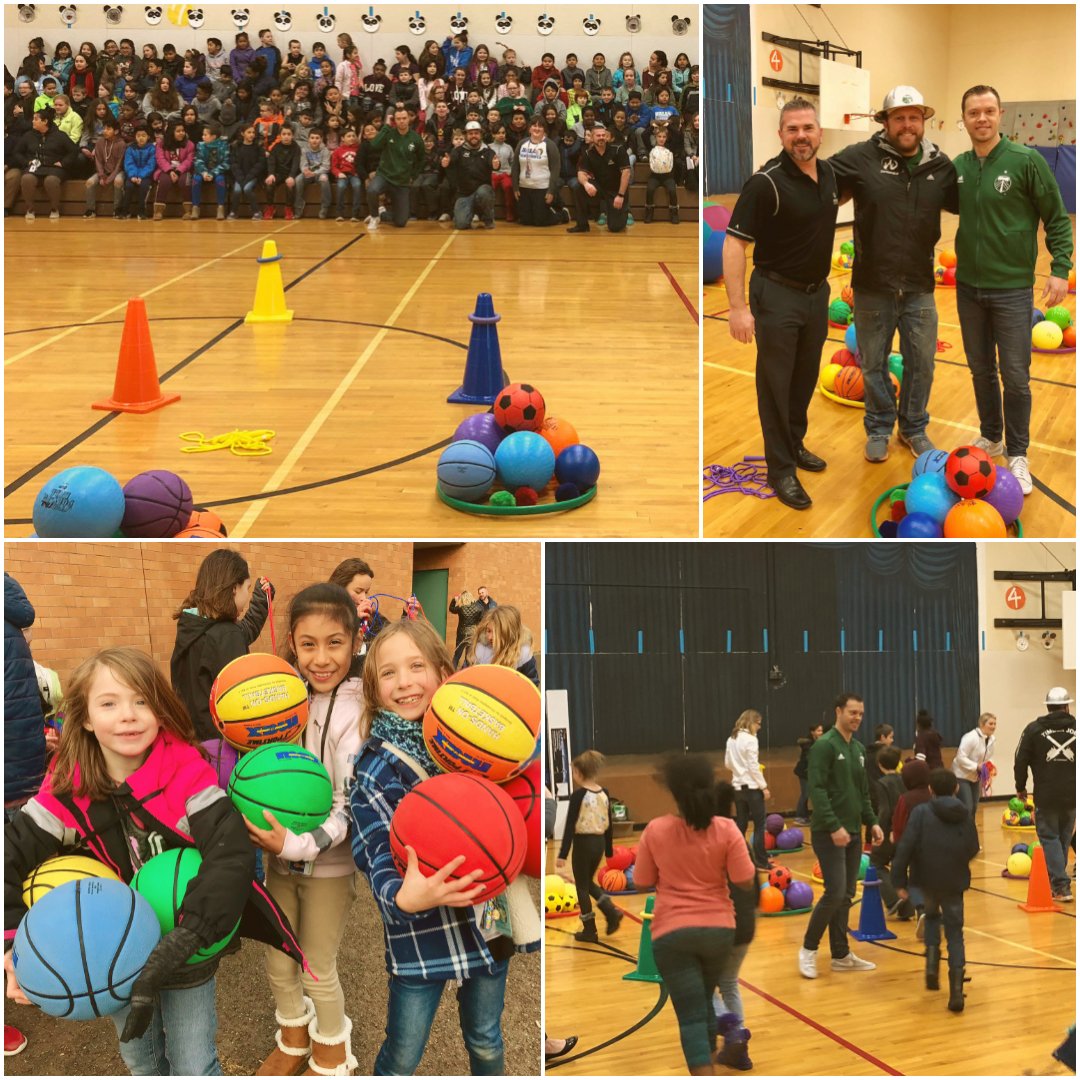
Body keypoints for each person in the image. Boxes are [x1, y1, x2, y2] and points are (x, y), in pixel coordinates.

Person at [4, 647, 305, 1075]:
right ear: (85, 718)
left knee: (195, 1064)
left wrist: (191, 933)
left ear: (160, 710)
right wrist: (15, 944)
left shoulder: (186, 772)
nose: (128, 715)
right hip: (115, 950)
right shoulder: (66, 792)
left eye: (141, 700)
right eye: (109, 703)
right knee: (141, 1063)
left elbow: (230, 851)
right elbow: (7, 859)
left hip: (187, 943)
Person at [350, 620, 539, 1074]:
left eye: (416, 666)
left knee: (487, 1039)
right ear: (375, 689)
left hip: (489, 917)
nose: (405, 682)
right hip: (421, 932)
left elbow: (516, 798)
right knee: (402, 1054)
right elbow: (371, 843)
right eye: (389, 673)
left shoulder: (479, 743)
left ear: (442, 671)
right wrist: (399, 895)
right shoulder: (376, 766)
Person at [247, 585, 364, 1076]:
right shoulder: (281, 701)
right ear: (291, 643)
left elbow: (348, 805)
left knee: (317, 970)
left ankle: (333, 1054)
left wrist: (295, 842)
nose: (321, 657)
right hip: (280, 860)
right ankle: (294, 1039)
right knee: (278, 962)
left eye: (334, 643)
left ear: (356, 642)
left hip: (330, 868)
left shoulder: (357, 712)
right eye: (308, 643)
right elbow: (256, 770)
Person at [952, 85, 1074, 494]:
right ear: (964, 118)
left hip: (1012, 290)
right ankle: (991, 435)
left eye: (988, 111)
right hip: (967, 288)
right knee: (980, 369)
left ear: (1001, 114)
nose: (981, 119)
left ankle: (1018, 453)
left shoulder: (1027, 161)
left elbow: (1057, 217)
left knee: (1017, 377)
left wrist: (1060, 268)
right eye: (973, 113)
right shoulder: (960, 166)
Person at [830, 87, 956, 462]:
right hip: (872, 286)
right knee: (872, 363)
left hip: (919, 285)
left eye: (914, 117)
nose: (907, 125)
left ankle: (914, 427)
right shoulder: (859, 157)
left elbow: (972, 202)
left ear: (923, 122)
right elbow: (818, 180)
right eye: (899, 117)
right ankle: (879, 426)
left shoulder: (940, 165)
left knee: (923, 363)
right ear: (885, 122)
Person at [724, 98, 838, 511]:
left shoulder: (828, 175)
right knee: (776, 383)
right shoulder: (765, 182)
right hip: (775, 295)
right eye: (793, 130)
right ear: (780, 135)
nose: (801, 136)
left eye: (808, 128)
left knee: (805, 377)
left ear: (820, 132)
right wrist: (738, 308)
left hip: (816, 294)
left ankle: (794, 443)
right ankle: (781, 469)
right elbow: (735, 242)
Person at [633, 756, 756, 1077]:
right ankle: (716, 1047)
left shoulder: (655, 830)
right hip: (719, 932)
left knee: (691, 1016)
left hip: (672, 935)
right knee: (702, 1005)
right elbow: (745, 879)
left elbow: (642, 881)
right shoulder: (727, 828)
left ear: (673, 792)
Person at [798, 692, 882, 978]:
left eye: (860, 713)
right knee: (834, 892)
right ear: (838, 712)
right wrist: (834, 826)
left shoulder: (858, 748)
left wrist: (872, 821)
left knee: (846, 893)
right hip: (828, 833)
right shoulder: (824, 746)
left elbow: (863, 792)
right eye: (852, 712)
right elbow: (817, 789)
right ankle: (808, 949)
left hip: (854, 833)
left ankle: (841, 954)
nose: (857, 717)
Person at [892, 768, 979, 1012]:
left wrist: (898, 880)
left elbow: (906, 845)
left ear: (930, 790)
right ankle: (956, 993)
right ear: (957, 788)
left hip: (927, 879)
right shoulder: (964, 813)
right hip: (954, 881)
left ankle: (932, 961)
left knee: (931, 917)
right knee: (955, 932)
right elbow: (973, 847)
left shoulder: (921, 812)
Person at [169, 548, 271, 743]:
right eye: (247, 589)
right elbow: (241, 702)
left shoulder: (192, 626)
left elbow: (242, 632)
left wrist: (261, 599)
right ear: (234, 588)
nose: (247, 595)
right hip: (222, 745)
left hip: (193, 739)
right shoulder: (225, 634)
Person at [711, 779, 759, 1072]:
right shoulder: (738, 835)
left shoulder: (709, 836)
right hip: (745, 925)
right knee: (729, 983)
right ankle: (738, 1048)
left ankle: (728, 1027)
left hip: (721, 924)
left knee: (699, 985)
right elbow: (754, 886)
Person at [1014, 687, 1076, 903]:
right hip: (1072, 795)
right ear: (1067, 706)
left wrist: (1020, 787)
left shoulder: (1033, 729)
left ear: (1048, 707)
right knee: (1062, 838)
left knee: (1049, 838)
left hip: (1047, 795)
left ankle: (1060, 886)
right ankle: (1058, 882)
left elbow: (1020, 760)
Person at [555, 750, 622, 943]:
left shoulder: (579, 795)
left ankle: (590, 930)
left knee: (582, 888)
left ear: (578, 772)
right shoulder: (604, 793)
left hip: (583, 844)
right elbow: (609, 823)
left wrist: (563, 853)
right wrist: (609, 850)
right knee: (588, 883)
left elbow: (570, 825)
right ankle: (611, 912)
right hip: (599, 843)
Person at [5, 106, 77, 221]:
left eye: (35, 119)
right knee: (26, 178)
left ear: (45, 121)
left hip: (54, 167)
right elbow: (17, 152)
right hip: (35, 166)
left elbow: (73, 151)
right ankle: (30, 209)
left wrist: (63, 163)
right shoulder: (28, 135)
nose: (32, 121)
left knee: (51, 180)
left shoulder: (60, 135)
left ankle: (54, 209)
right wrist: (26, 162)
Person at [868, 745, 913, 919]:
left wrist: (879, 830)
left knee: (876, 864)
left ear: (879, 764)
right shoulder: (905, 780)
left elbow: (885, 810)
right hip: (907, 829)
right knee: (899, 868)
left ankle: (893, 899)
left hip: (889, 831)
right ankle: (906, 910)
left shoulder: (882, 783)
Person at [890, 756, 932, 938]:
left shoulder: (905, 798)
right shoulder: (935, 793)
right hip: (939, 846)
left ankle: (922, 910)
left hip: (915, 848)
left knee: (915, 882)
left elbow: (899, 824)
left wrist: (898, 842)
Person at [724, 709, 770, 870]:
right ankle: (761, 861)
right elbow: (753, 766)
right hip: (752, 788)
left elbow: (727, 764)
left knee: (741, 824)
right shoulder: (751, 740)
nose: (759, 727)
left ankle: (736, 859)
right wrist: (764, 786)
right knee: (759, 825)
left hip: (737, 788)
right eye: (758, 724)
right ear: (751, 722)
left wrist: (738, 771)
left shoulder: (731, 739)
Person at [366, 105, 424, 229]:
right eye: (398, 119)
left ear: (409, 119)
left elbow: (421, 160)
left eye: (404, 118)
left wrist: (413, 176)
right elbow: (374, 145)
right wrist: (386, 125)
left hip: (402, 181)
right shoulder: (388, 133)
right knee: (372, 190)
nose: (401, 121)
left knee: (401, 222)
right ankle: (374, 216)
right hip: (384, 176)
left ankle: (382, 213)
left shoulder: (416, 138)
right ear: (394, 120)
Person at [567, 122, 631, 234]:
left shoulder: (618, 149)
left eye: (603, 135)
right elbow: (581, 173)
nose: (601, 137)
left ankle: (620, 213)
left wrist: (621, 195)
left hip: (616, 192)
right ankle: (582, 225)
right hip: (599, 189)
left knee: (616, 228)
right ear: (592, 138)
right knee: (579, 187)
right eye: (598, 135)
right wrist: (586, 184)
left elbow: (626, 172)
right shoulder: (588, 153)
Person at [464, 604, 539, 688]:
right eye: (488, 631)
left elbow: (531, 686)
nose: (489, 637)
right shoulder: (478, 650)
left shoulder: (523, 655)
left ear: (508, 633)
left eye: (496, 632)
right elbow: (462, 679)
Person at [448, 119, 497, 229]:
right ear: (466, 135)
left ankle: (488, 218)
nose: (473, 136)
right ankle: (467, 213)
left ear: (481, 134)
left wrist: (495, 165)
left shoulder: (488, 151)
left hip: (483, 191)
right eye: (470, 133)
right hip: (465, 194)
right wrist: (447, 162)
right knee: (461, 225)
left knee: (484, 192)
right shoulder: (458, 151)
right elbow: (452, 160)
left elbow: (494, 164)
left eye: (476, 133)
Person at [952, 712, 997, 819]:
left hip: (975, 777)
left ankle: (970, 830)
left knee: (974, 807)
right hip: (961, 776)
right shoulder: (970, 737)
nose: (993, 726)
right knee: (967, 806)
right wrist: (976, 766)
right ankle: (962, 830)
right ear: (982, 724)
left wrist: (990, 766)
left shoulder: (991, 739)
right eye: (990, 724)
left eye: (995, 724)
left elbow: (988, 757)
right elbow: (960, 757)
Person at [153, 118, 194, 219]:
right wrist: (170, 171)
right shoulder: (161, 144)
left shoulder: (190, 144)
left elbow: (189, 161)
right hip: (166, 170)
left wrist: (179, 171)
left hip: (183, 170)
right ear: (172, 132)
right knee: (164, 181)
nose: (181, 133)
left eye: (183, 131)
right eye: (178, 131)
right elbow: (160, 158)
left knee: (186, 181)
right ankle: (158, 211)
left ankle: (188, 211)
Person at [191, 118, 229, 219]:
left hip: (217, 171)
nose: (202, 137)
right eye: (202, 135)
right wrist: (204, 173)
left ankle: (220, 207)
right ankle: (195, 207)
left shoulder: (223, 145)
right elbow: (198, 161)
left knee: (220, 180)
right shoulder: (200, 145)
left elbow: (225, 163)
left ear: (213, 137)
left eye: (205, 135)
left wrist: (213, 173)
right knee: (196, 180)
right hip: (203, 171)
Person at [644, 122, 679, 224]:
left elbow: (677, 134)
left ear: (667, 138)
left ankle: (674, 212)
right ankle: (649, 212)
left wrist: (668, 126)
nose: (661, 139)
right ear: (655, 137)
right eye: (659, 136)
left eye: (664, 137)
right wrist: (653, 126)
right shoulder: (651, 147)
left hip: (667, 176)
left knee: (672, 190)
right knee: (650, 189)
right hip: (655, 176)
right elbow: (644, 135)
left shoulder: (670, 147)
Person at [295, 127, 331, 219]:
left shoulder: (325, 151)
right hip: (308, 173)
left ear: (321, 139)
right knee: (298, 179)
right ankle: (298, 206)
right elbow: (303, 163)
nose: (314, 140)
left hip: (320, 173)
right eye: (312, 138)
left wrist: (315, 173)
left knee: (324, 179)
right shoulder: (304, 149)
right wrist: (305, 171)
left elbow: (326, 167)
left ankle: (325, 206)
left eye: (317, 138)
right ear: (308, 139)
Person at [122, 124, 156, 218]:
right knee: (128, 186)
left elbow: (151, 165)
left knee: (144, 186)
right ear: (135, 137)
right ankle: (125, 211)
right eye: (138, 136)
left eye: (143, 135)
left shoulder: (152, 149)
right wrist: (133, 175)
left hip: (146, 176)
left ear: (148, 137)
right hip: (132, 175)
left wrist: (141, 176)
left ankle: (141, 211)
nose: (141, 138)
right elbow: (129, 163)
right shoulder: (130, 149)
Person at [793, 722, 823, 825]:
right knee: (805, 794)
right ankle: (799, 817)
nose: (821, 733)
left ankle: (804, 816)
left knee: (807, 794)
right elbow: (810, 758)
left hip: (809, 773)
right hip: (804, 773)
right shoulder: (808, 744)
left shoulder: (816, 742)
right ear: (812, 732)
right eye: (818, 731)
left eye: (821, 731)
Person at [448, 588, 484, 667]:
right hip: (472, 633)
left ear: (463, 598)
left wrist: (454, 600)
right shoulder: (479, 608)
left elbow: (451, 609)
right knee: (468, 657)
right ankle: (466, 676)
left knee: (457, 655)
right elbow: (481, 620)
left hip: (461, 633)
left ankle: (450, 674)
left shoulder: (461, 608)